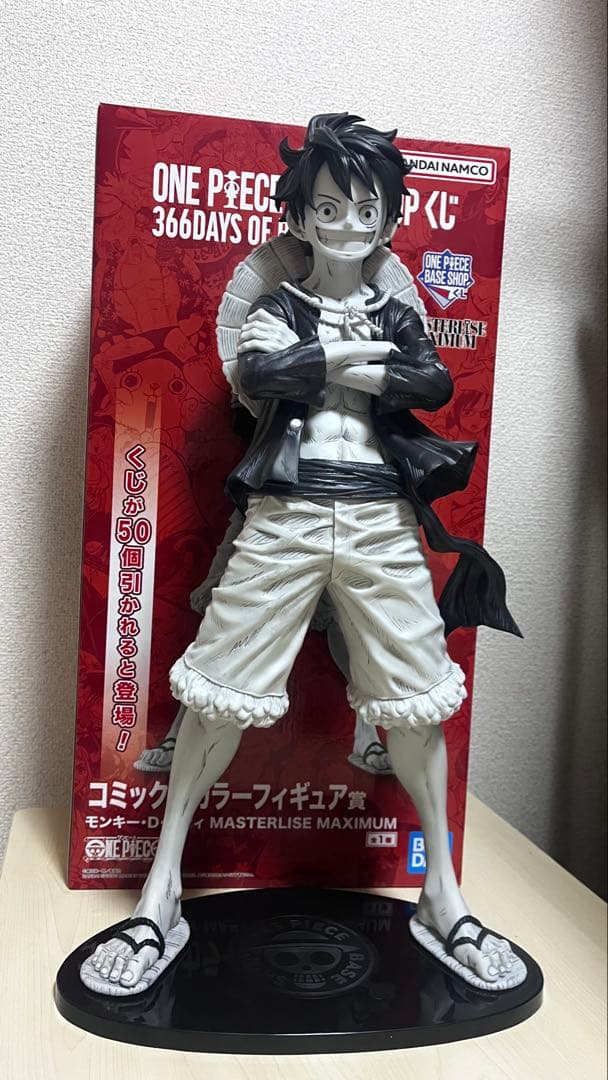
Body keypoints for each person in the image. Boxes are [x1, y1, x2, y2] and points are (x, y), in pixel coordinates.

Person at [81, 113, 525, 996]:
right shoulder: (276, 304)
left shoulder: (393, 308)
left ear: (388, 218)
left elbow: (432, 381)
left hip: (380, 517)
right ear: (300, 215)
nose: (347, 224)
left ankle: (442, 895)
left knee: (416, 698)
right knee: (217, 691)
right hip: (284, 514)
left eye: (365, 209)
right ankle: (160, 891)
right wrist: (356, 359)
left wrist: (329, 358)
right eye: (328, 207)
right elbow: (263, 375)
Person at [134, 508, 393, 776]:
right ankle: (178, 736)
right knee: (226, 618)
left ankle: (367, 734)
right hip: (269, 506)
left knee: (349, 617)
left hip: (350, 507)